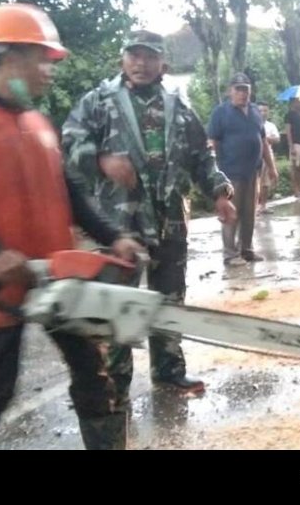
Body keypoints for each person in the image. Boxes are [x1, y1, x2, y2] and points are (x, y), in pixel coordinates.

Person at [0, 3, 144, 449]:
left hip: (61, 273)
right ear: (11, 56)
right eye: (43, 59)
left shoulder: (40, 123)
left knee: (94, 375)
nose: (50, 70)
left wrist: (113, 237)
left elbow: (73, 196)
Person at [62, 30, 237, 398]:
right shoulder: (99, 101)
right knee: (117, 300)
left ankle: (169, 369)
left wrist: (219, 193)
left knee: (170, 298)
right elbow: (69, 143)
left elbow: (200, 156)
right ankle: (115, 379)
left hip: (169, 219)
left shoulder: (177, 107)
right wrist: (100, 160)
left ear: (163, 64)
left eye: (149, 56)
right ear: (122, 60)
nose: (141, 63)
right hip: (118, 222)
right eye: (134, 55)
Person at [208, 73, 276, 266]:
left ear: (250, 91)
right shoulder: (220, 113)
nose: (242, 93)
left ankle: (246, 249)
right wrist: (214, 172)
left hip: (252, 171)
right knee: (231, 214)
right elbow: (212, 142)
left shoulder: (255, 111)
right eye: (238, 89)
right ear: (231, 91)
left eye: (245, 89)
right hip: (230, 173)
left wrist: (271, 167)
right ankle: (230, 255)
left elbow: (263, 141)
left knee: (249, 213)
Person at [256, 102, 281, 214]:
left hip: (267, 155)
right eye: (260, 110)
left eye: (265, 110)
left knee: (265, 182)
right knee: (255, 182)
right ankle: (255, 206)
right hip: (254, 157)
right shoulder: (253, 124)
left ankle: (263, 205)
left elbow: (277, 139)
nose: (263, 113)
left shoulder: (271, 126)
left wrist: (265, 139)